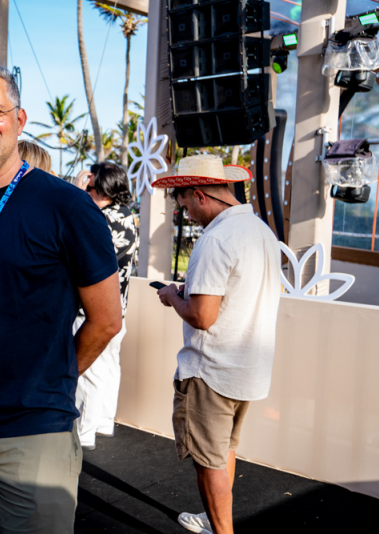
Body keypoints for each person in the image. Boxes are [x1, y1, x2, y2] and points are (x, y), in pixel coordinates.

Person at [0, 63, 122, 533]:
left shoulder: (67, 207)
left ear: (19, 118)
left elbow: (107, 319)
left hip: (35, 433)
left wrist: (53, 375)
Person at [152, 155, 281, 534]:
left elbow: (202, 317)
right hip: (249, 368)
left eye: (185, 204)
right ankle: (214, 522)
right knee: (224, 450)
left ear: (199, 194)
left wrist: (173, 296)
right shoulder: (261, 231)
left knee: (207, 461)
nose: (186, 213)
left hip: (211, 371)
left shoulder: (217, 238)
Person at [71, 162, 138, 450]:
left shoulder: (101, 220)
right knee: (108, 367)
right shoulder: (127, 218)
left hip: (91, 311)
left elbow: (77, 254)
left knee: (90, 373)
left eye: (89, 187)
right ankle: (102, 422)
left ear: (102, 190)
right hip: (117, 309)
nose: (86, 192)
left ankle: (84, 432)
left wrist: (73, 195)